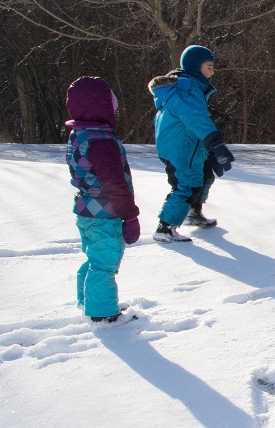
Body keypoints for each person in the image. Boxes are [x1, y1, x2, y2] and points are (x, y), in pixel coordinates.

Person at [65, 76, 140, 323]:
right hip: (106, 214)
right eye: (112, 103)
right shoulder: (102, 142)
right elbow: (114, 184)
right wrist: (129, 216)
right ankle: (104, 314)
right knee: (105, 265)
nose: (115, 108)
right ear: (102, 107)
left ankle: (89, 301)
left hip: (86, 211)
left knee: (94, 259)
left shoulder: (81, 135)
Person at [148, 44, 234, 243]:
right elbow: (196, 118)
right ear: (196, 67)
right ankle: (165, 227)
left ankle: (193, 213)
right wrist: (215, 142)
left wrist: (209, 148)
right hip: (181, 149)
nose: (212, 71)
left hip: (189, 146)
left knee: (204, 176)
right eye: (209, 66)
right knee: (186, 185)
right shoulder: (186, 89)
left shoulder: (189, 87)